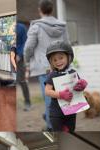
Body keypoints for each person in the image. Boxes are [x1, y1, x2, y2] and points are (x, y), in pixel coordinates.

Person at [24, 0, 69, 130]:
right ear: (52, 10)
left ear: (40, 10)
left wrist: (27, 61)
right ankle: (50, 117)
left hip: (44, 68)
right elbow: (67, 46)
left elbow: (28, 48)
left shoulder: (36, 27)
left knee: (49, 97)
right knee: (59, 94)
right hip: (61, 66)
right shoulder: (62, 26)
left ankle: (51, 126)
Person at [44, 40, 87, 132]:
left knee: (71, 130)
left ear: (69, 57)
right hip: (56, 113)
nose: (58, 61)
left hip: (71, 111)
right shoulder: (52, 75)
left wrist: (82, 85)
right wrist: (60, 95)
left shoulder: (73, 73)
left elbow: (78, 88)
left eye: (61, 58)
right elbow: (47, 91)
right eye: (54, 60)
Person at [16, 22, 31, 111]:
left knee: (22, 81)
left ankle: (27, 102)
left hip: (20, 58)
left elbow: (25, 42)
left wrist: (20, 55)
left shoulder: (21, 27)